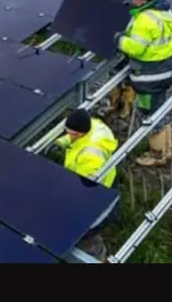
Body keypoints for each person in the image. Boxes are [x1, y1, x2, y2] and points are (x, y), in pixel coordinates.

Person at [113, 0, 172, 167]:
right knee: (160, 109)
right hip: (165, 71)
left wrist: (119, 40)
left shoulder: (144, 20)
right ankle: (167, 148)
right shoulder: (163, 11)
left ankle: (157, 154)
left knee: (150, 114)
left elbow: (136, 49)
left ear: (141, 0)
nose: (133, 2)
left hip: (149, 76)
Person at [55, 108, 120, 261]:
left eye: (70, 133)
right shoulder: (95, 126)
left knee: (87, 233)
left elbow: (82, 193)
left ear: (79, 134)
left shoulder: (89, 159)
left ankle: (96, 256)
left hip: (96, 200)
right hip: (110, 181)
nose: (68, 135)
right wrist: (63, 141)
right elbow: (77, 135)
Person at [90, 0, 135, 117]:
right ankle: (114, 104)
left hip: (128, 44)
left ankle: (126, 107)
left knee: (128, 79)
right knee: (113, 75)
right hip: (116, 41)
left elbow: (125, 1)